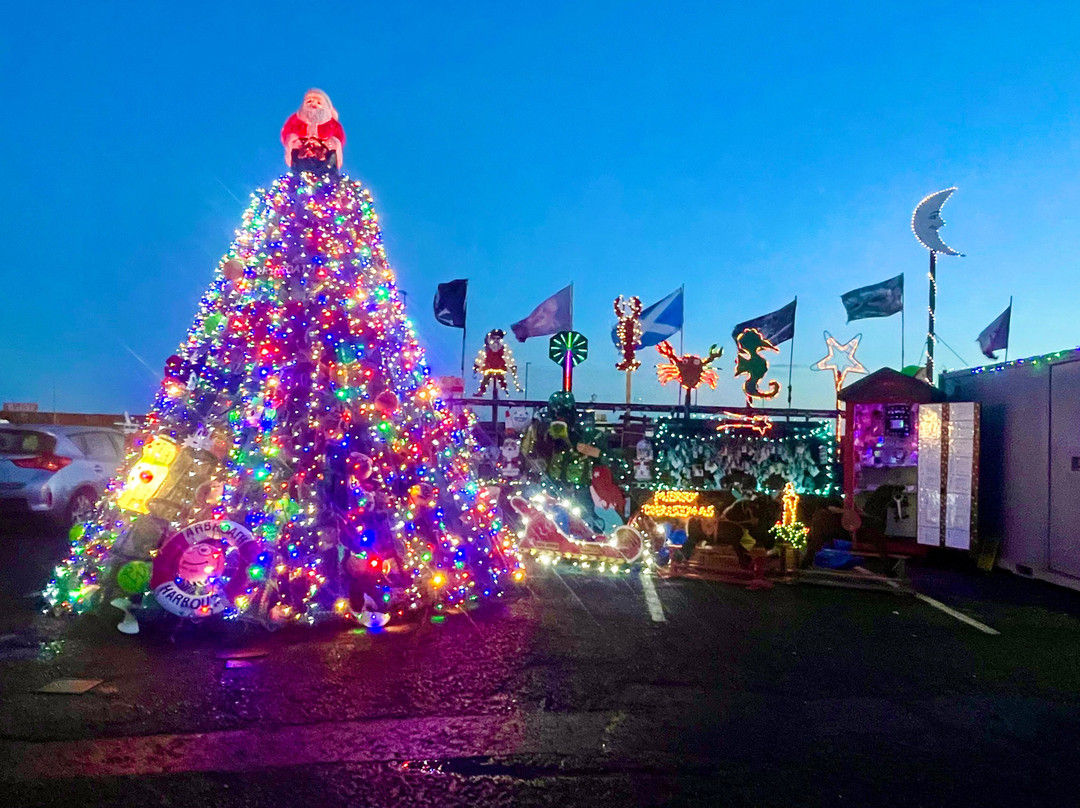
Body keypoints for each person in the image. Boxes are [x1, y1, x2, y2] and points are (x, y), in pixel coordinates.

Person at [281, 89, 346, 169]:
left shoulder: (331, 123)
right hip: (301, 149)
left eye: (318, 103)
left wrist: (335, 142)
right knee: (299, 167)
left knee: (328, 166)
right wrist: (291, 139)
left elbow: (339, 135)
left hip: (324, 150)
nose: (313, 104)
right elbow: (286, 131)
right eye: (309, 101)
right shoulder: (296, 119)